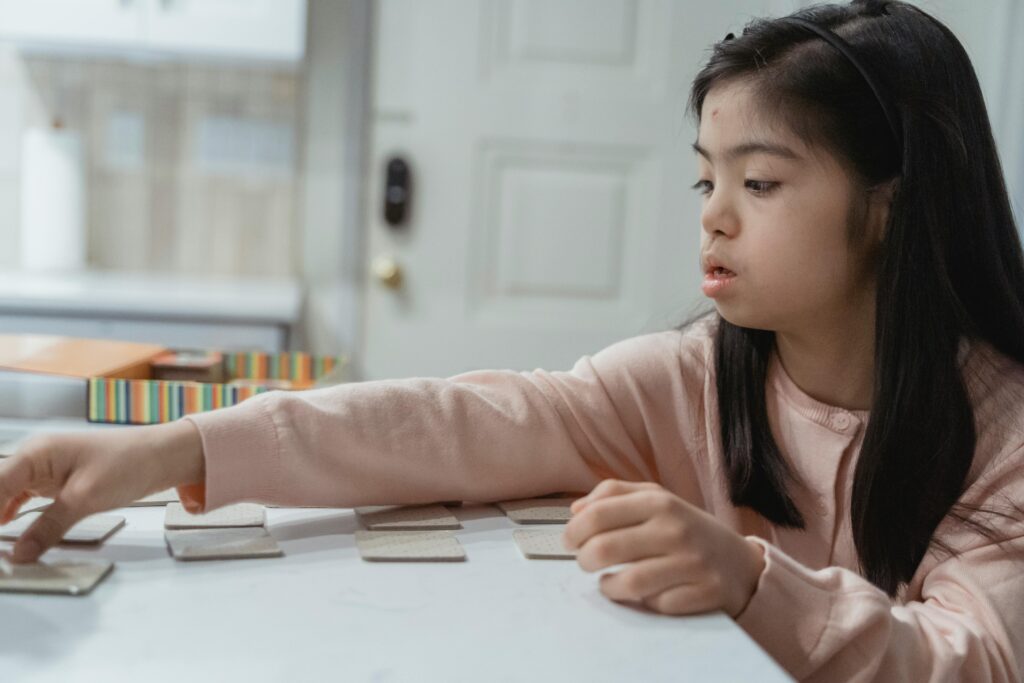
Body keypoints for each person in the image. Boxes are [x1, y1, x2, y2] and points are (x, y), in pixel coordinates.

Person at [2, 0, 1023, 679]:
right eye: (703, 177)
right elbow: (456, 420)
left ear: (890, 205)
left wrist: (752, 579)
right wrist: (168, 448)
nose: (713, 215)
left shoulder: (1003, 425)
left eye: (757, 183)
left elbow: (972, 658)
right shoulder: (692, 375)